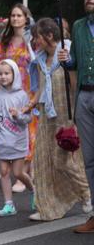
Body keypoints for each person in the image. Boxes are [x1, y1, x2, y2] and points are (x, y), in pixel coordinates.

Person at [30, 18, 91, 222]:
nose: (34, 41)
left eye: (37, 36)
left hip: (67, 114)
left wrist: (76, 115)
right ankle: (48, 206)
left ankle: (86, 193)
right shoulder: (39, 59)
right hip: (47, 116)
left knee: (64, 160)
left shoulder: (66, 53)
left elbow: (75, 84)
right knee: (42, 162)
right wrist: (28, 106)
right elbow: (40, 89)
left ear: (48, 36)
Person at [58, 0, 94, 233]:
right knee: (90, 161)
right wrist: (66, 60)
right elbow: (75, 64)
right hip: (85, 96)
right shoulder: (80, 26)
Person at [0, 3, 36, 193]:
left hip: (28, 88)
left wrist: (29, 41)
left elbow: (36, 61)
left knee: (28, 131)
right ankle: (14, 166)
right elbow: (1, 64)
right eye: (13, 15)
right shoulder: (6, 39)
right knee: (11, 127)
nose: (15, 19)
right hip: (10, 89)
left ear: (26, 18)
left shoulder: (32, 39)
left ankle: (24, 174)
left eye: (19, 16)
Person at [0, 59, 34, 217]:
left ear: (14, 74)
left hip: (17, 140)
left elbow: (28, 119)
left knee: (17, 173)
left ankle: (34, 191)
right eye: (0, 74)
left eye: (6, 73)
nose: (3, 76)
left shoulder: (22, 95)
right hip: (2, 140)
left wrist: (18, 115)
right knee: (3, 172)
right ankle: (8, 204)